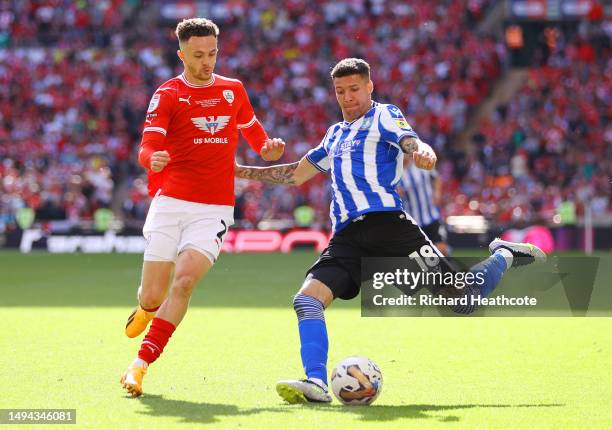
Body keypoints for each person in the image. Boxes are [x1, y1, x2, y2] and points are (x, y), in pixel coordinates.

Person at [234, 58, 545, 404]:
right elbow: (294, 174)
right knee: (307, 299)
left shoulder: (383, 115)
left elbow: (408, 139)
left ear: (370, 87)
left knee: (463, 301)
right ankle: (317, 382)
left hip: (390, 228)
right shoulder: (334, 134)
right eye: (340, 91)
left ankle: (503, 253)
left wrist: (422, 150)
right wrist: (237, 172)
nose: (348, 97)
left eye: (354, 89)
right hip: (347, 236)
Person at [120, 17, 285, 397]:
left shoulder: (233, 89)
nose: (207, 61)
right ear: (181, 54)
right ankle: (145, 309)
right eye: (198, 55)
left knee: (185, 282)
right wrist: (151, 160)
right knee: (153, 296)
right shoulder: (168, 94)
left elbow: (252, 128)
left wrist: (266, 148)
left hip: (214, 208)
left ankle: (139, 365)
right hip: (171, 202)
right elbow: (146, 146)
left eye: (212, 53)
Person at [397, 156, 450, 255]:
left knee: (442, 249)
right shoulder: (397, 174)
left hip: (432, 217)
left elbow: (436, 178)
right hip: (414, 223)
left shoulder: (421, 164)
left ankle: (449, 268)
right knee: (420, 256)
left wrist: (437, 193)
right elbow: (396, 194)